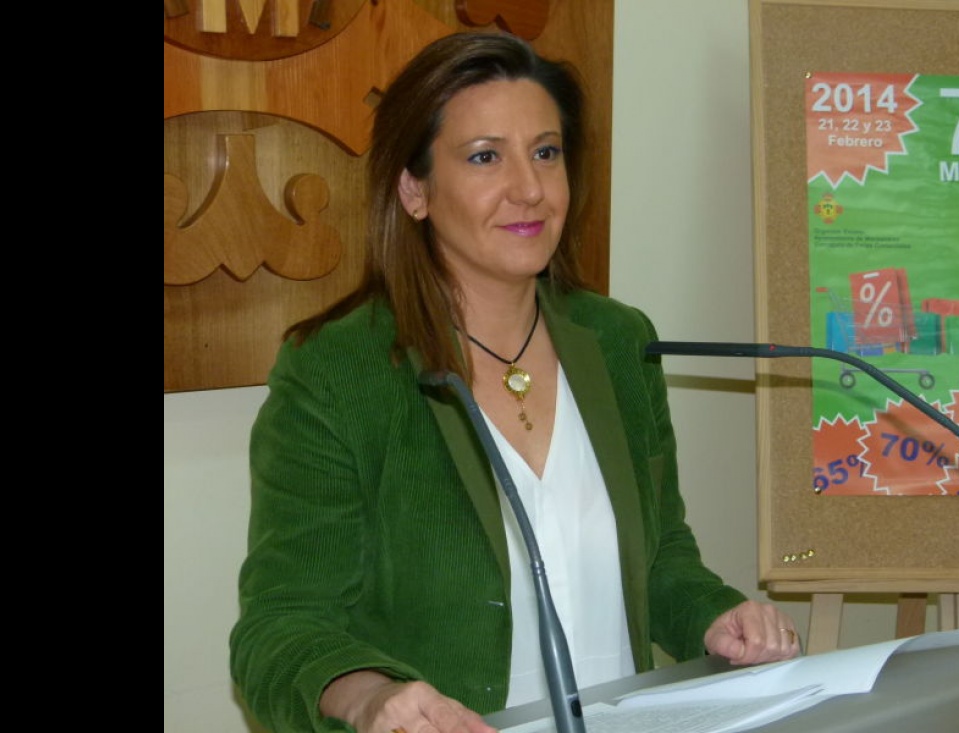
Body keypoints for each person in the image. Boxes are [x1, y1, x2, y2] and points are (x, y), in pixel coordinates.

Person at [229, 30, 801, 733]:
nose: (529, 188)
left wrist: (720, 616)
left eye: (546, 152)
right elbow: (281, 626)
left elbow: (661, 560)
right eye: (484, 156)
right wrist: (370, 697)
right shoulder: (336, 372)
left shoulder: (620, 342)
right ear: (414, 189)